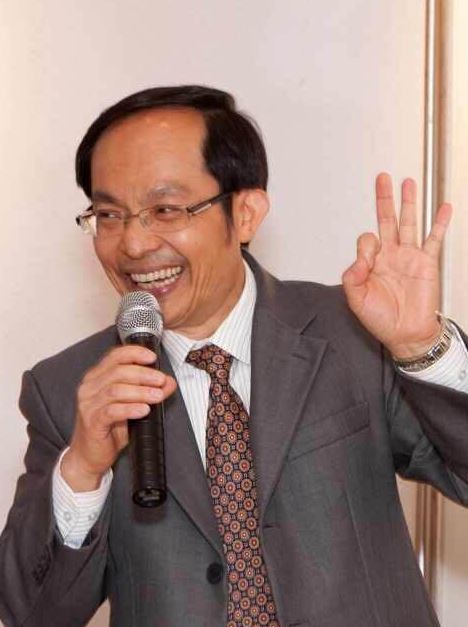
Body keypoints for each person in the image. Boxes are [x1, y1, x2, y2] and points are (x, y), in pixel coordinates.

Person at [1, 85, 468, 627]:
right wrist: (83, 467)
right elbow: (31, 614)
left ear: (245, 213)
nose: (132, 244)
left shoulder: (351, 336)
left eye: (165, 209)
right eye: (109, 215)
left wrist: (419, 348)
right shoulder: (70, 392)